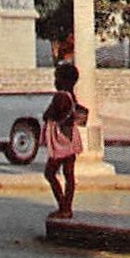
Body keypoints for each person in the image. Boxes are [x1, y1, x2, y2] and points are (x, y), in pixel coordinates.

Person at [42, 61, 85, 219]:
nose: (55, 81)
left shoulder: (60, 97)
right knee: (69, 175)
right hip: (71, 138)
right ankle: (67, 207)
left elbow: (49, 115)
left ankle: (63, 205)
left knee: (50, 173)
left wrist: (47, 114)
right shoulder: (71, 96)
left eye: (56, 78)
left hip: (61, 141)